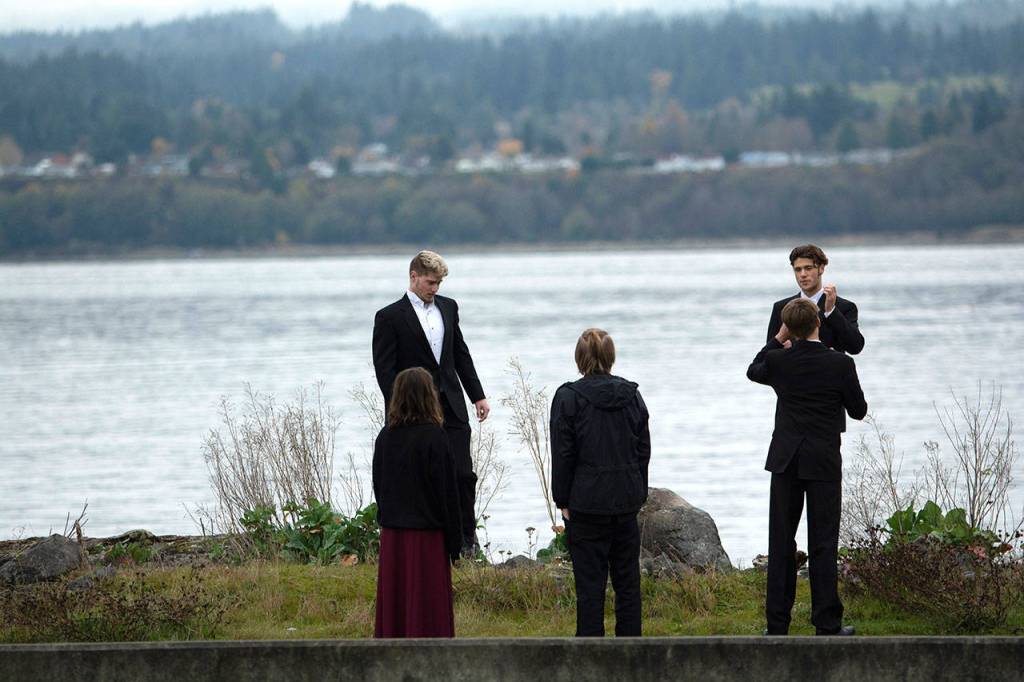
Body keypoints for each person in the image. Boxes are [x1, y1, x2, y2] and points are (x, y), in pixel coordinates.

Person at [747, 298, 867, 636]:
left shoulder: (777, 361)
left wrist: (776, 338)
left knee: (781, 541)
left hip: (786, 458)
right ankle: (827, 623)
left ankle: (776, 625)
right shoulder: (839, 364)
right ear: (818, 323)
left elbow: (753, 369)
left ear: (788, 328)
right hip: (823, 458)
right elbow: (858, 410)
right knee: (823, 542)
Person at [372, 250, 489, 557]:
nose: (435, 288)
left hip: (451, 403)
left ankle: (466, 541)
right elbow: (385, 371)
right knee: (420, 479)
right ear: (414, 276)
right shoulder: (389, 317)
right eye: (430, 282)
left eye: (438, 283)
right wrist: (399, 411)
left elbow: (460, 353)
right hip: (413, 413)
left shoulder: (449, 308)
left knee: (463, 475)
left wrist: (477, 394)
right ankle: (427, 543)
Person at [550, 328, 651, 637]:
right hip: (625, 499)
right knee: (627, 581)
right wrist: (638, 489)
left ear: (579, 358)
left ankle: (590, 653)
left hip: (586, 501)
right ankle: (631, 651)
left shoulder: (567, 398)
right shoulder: (632, 394)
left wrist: (562, 499)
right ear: (611, 357)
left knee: (589, 585)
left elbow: (563, 454)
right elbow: (643, 449)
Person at [373, 367, 462, 638]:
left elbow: (379, 485)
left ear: (397, 397)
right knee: (428, 603)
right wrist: (455, 542)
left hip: (394, 535)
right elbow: (448, 493)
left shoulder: (385, 436)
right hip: (428, 536)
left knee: (397, 602)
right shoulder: (435, 437)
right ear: (429, 396)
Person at [766, 244, 864, 355]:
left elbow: (855, 348)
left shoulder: (844, 306)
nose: (803, 274)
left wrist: (831, 312)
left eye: (808, 268)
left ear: (821, 268)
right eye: (798, 270)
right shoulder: (781, 307)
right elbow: (768, 355)